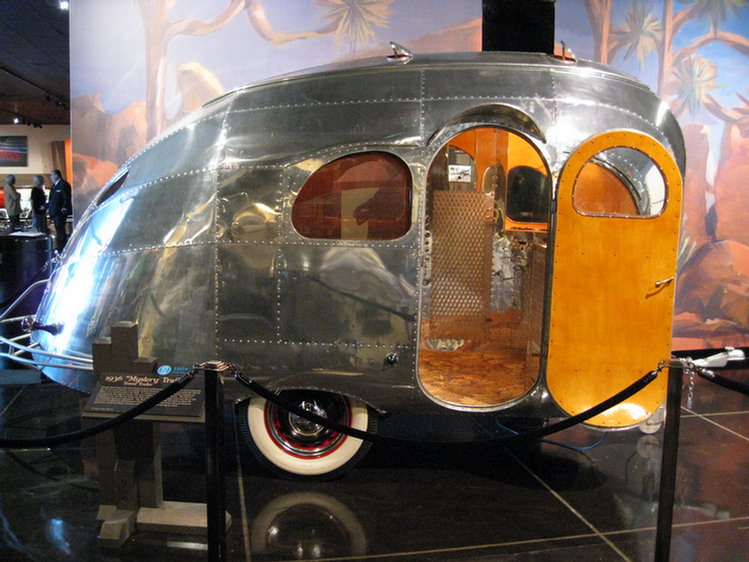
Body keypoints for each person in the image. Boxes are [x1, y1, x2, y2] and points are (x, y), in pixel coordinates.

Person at [48, 169, 71, 251]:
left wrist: (64, 207)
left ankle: (62, 247)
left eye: (52, 175)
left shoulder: (63, 185)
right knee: (58, 229)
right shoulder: (54, 186)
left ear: (56, 175)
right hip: (55, 211)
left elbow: (66, 197)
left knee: (61, 229)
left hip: (60, 212)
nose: (50, 177)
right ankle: (60, 245)